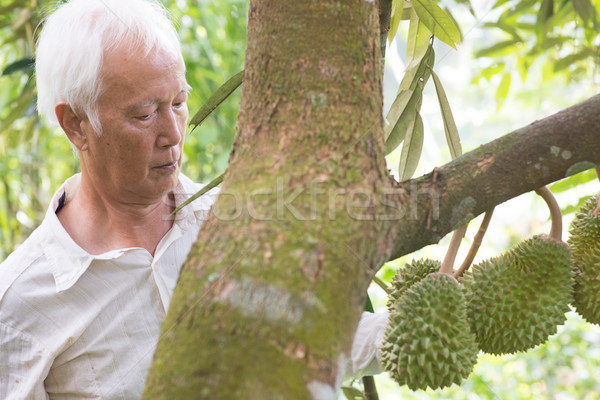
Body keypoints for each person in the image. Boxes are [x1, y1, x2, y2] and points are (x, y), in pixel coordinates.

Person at [0, 0, 388, 398]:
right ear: (76, 125)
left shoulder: (232, 220)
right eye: (145, 114)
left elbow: (306, 335)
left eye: (179, 104)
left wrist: (409, 327)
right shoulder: (21, 303)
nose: (173, 133)